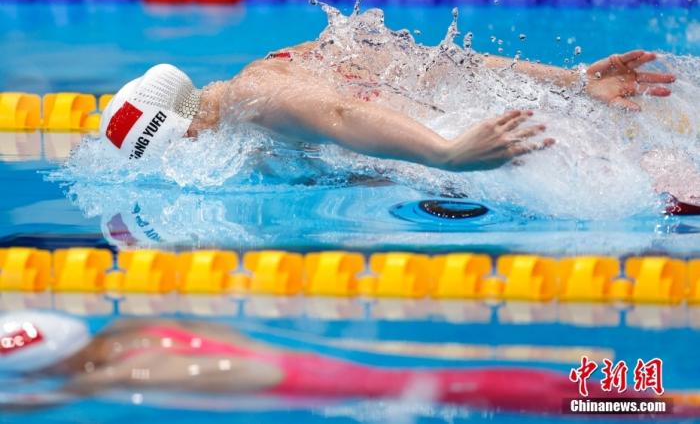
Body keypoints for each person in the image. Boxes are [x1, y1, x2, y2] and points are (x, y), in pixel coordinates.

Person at [99, 44, 674, 172]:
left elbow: (340, 118)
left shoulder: (254, 99)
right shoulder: (285, 60)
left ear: (192, 132)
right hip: (535, 127)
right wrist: (570, 82)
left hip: (507, 150)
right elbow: (440, 64)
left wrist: (447, 154)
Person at [0, 310, 674, 414]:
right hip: (349, 370)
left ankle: (668, 405)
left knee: (525, 397)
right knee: (517, 386)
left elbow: (50, 400)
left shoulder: (129, 374)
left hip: (386, 390)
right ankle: (665, 401)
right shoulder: (140, 329)